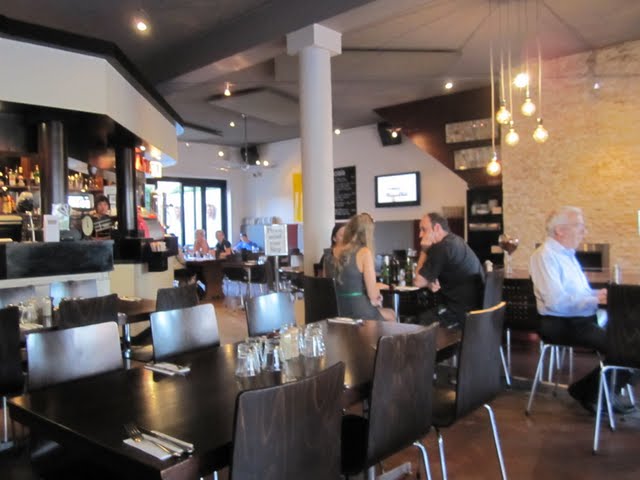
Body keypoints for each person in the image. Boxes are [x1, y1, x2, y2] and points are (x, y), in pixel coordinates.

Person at [529, 206, 632, 414]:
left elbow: (576, 293)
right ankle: (593, 393)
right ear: (560, 230)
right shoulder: (545, 256)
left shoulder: (567, 255)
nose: (584, 232)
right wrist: (594, 299)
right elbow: (555, 302)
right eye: (579, 226)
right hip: (561, 323)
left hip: (580, 319)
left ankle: (592, 391)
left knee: (631, 340)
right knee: (627, 348)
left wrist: (596, 294)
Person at [414, 212, 484, 328]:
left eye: (424, 229)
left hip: (458, 314)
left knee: (417, 322)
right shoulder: (456, 241)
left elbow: (418, 282)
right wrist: (429, 282)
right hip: (473, 311)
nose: (420, 235)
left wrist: (424, 250)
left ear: (437, 228)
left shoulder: (441, 247)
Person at [325, 213, 395, 322]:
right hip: (358, 311)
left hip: (335, 311)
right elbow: (373, 296)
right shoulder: (364, 252)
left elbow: (328, 287)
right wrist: (377, 295)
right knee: (391, 314)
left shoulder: (329, 254)